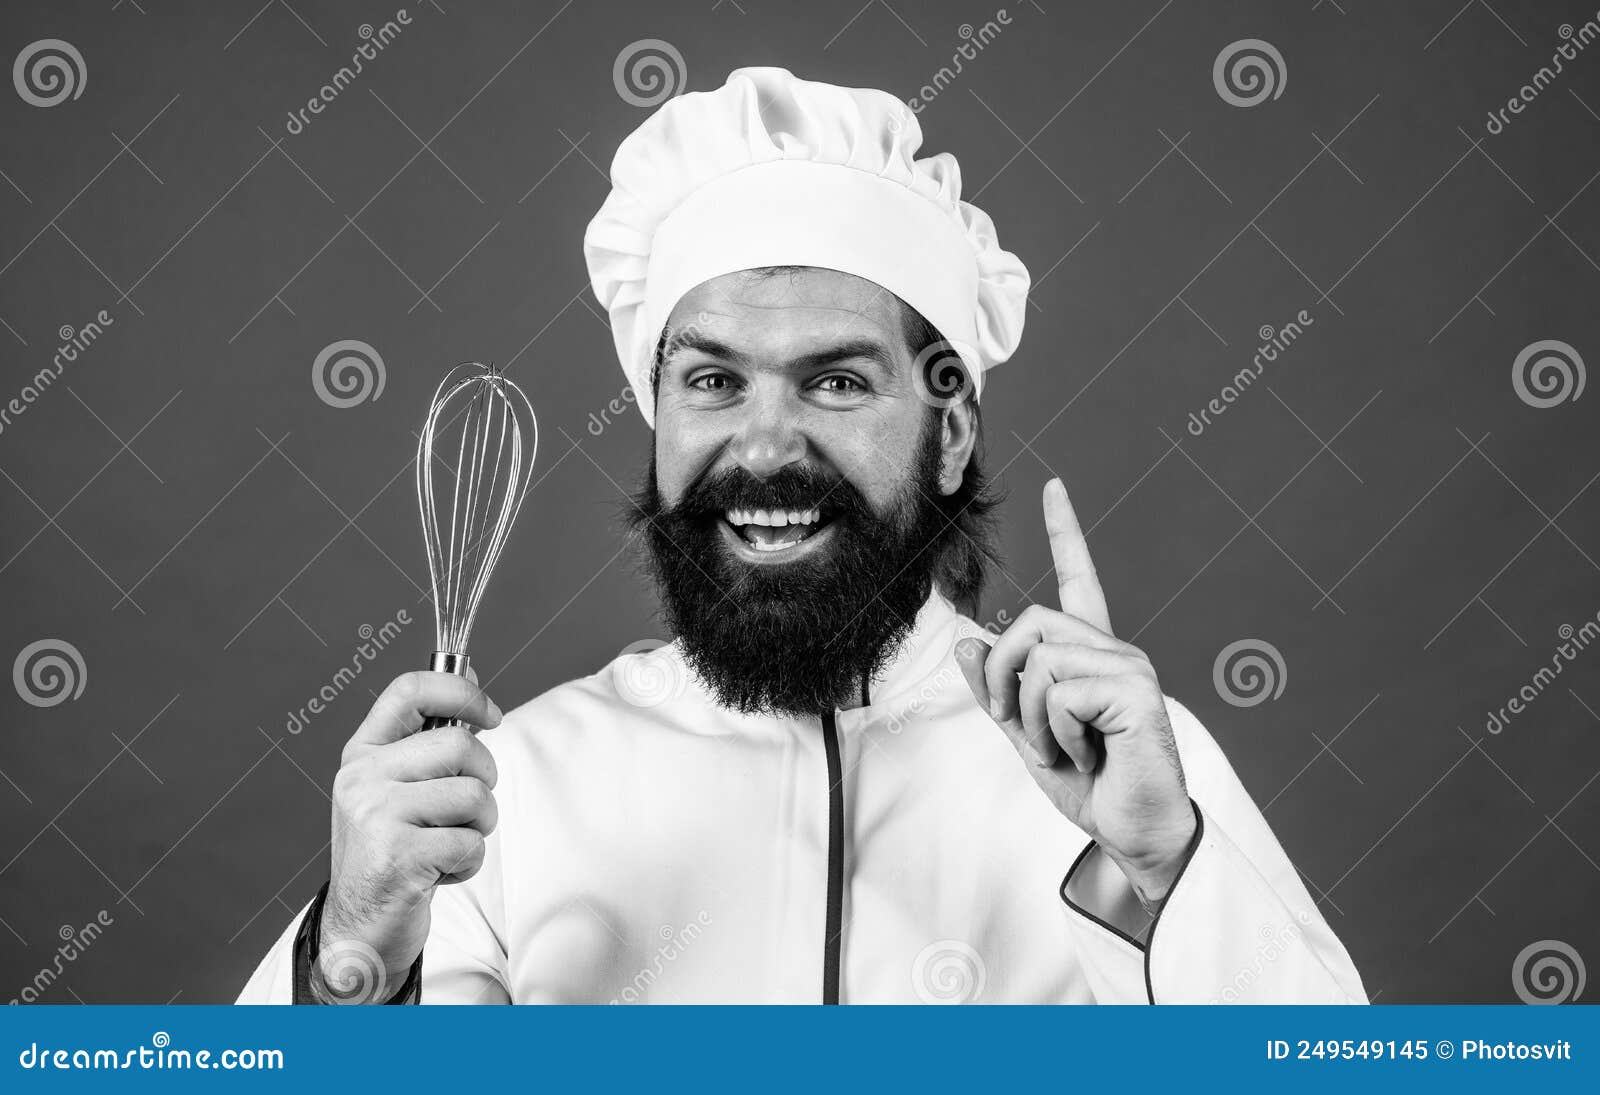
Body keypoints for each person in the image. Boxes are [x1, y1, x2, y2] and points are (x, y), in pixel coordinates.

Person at [237, 67, 1365, 1005]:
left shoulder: (1132, 773)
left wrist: (1167, 870)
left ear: (952, 428)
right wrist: (358, 947)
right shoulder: (507, 795)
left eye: (834, 380)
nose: (765, 446)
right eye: (714, 380)